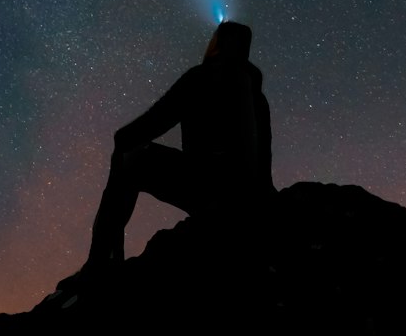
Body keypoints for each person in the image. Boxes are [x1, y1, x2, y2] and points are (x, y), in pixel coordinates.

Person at [85, 19, 273, 268]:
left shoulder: (201, 77)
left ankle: (102, 262)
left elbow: (155, 121)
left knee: (130, 157)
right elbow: (264, 156)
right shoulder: (258, 97)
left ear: (217, 44)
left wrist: (122, 138)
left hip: (209, 188)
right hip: (249, 198)